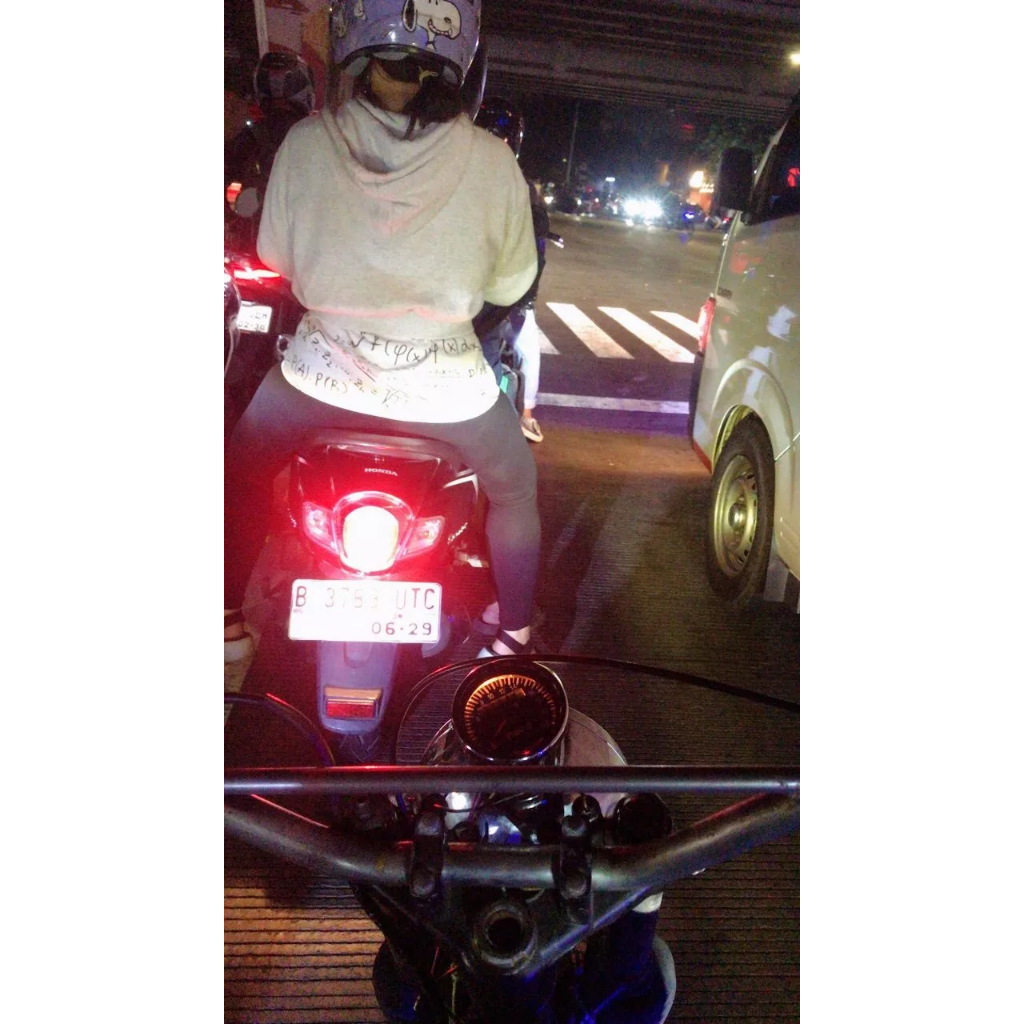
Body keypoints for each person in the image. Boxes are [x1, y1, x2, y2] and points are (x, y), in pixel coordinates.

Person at [224, 0, 540, 662]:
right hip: (451, 394)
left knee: (241, 469)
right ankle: (513, 634)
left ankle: (226, 618)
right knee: (515, 490)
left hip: (315, 380)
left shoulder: (307, 142)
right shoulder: (493, 161)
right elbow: (511, 286)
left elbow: (276, 256)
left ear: (355, 47)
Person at [473, 98, 548, 442]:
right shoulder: (521, 186)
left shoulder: (455, 171)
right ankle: (524, 417)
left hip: (461, 289)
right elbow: (535, 249)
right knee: (526, 349)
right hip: (496, 295)